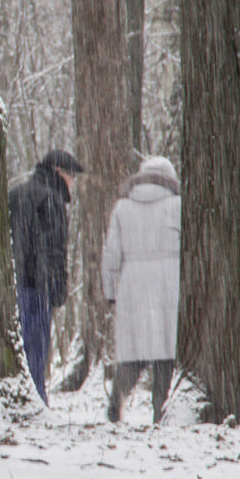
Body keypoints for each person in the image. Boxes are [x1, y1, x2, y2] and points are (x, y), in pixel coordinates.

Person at [102, 156, 181, 423]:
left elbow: (111, 255)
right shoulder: (178, 205)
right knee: (165, 354)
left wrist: (110, 292)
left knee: (133, 353)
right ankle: (161, 411)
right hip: (168, 285)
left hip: (132, 286)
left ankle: (116, 405)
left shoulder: (122, 208)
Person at [9, 148, 84, 404]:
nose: (73, 182)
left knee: (17, 349)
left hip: (13, 285)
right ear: (57, 173)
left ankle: (22, 398)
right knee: (36, 349)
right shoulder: (51, 200)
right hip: (38, 287)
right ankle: (36, 400)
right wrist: (58, 286)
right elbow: (53, 250)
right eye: (71, 175)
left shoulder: (16, 194)